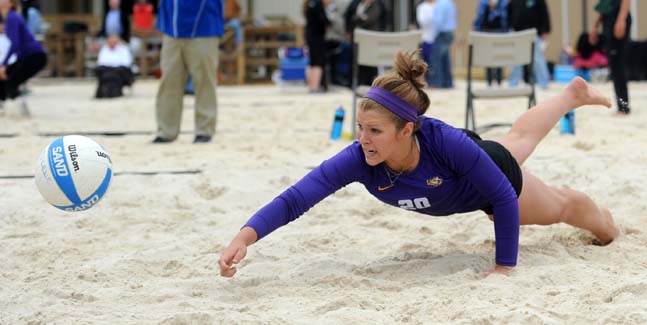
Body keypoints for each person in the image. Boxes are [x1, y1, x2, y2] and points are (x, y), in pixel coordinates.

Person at [218, 50, 620, 278]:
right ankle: (571, 94)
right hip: (467, 162)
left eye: (374, 131)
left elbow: (500, 192)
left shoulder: (441, 140)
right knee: (518, 138)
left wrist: (503, 268)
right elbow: (296, 199)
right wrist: (245, 236)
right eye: (360, 128)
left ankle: (606, 224)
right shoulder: (361, 158)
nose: (363, 139)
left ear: (407, 130)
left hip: (486, 178)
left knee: (556, 206)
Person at [152, 0, 223, 144]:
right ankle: (166, 131)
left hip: (204, 28)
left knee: (204, 81)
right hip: (172, 29)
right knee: (169, 82)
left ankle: (204, 130)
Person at [0, 0, 46, 104]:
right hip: (26, 57)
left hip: (35, 56)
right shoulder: (8, 17)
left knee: (11, 82)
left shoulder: (12, 17)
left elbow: (15, 44)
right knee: (4, 80)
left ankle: (19, 108)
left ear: (10, 3)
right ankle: (5, 105)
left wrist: (3, 65)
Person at [590, 0, 631, 115]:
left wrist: (621, 20)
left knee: (618, 65)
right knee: (613, 65)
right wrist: (595, 26)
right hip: (608, 20)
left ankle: (624, 107)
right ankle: (621, 106)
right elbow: (603, 4)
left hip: (617, 19)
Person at [508, 0, 551, 89]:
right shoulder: (513, 1)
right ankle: (513, 83)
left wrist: (545, 30)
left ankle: (543, 83)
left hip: (534, 33)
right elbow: (509, 14)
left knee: (538, 59)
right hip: (517, 33)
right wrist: (510, 28)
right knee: (515, 59)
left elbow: (544, 14)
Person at [473, 0, 508, 86]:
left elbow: (506, 18)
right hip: (486, 33)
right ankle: (489, 81)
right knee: (487, 58)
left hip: (500, 33)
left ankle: (499, 81)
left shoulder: (503, 3)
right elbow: (479, 19)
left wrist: (496, 9)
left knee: (500, 58)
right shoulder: (483, 3)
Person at [304, 0, 331, 93]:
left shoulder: (310, 3)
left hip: (310, 35)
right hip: (317, 37)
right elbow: (322, 20)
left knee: (312, 61)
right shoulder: (318, 4)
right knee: (318, 62)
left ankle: (311, 85)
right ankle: (315, 86)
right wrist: (328, 22)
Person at [94, 34, 133, 99]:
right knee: (103, 71)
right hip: (107, 69)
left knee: (116, 72)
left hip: (119, 70)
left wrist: (113, 65)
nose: (112, 43)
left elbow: (127, 62)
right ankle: (102, 92)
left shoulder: (123, 49)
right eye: (110, 41)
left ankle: (115, 92)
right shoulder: (104, 49)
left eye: (114, 41)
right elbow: (101, 62)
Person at [430, 0, 457, 88]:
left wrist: (433, 35)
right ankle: (448, 83)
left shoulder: (440, 4)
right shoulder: (450, 3)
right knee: (445, 59)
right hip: (449, 32)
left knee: (437, 59)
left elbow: (438, 21)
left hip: (441, 33)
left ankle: (439, 83)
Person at [416, 0, 436, 71]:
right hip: (426, 39)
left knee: (437, 64)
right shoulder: (422, 7)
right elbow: (422, 21)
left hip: (437, 39)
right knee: (426, 64)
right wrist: (433, 18)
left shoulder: (438, 5)